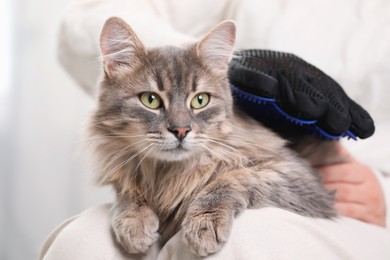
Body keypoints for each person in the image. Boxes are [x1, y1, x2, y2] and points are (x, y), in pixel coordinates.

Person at [41, 0, 390, 259]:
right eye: (151, 99)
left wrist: (385, 196)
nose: (179, 127)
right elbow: (87, 17)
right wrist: (196, 63)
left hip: (360, 195)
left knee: (240, 242)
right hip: (221, 125)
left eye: (196, 101)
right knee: (81, 243)